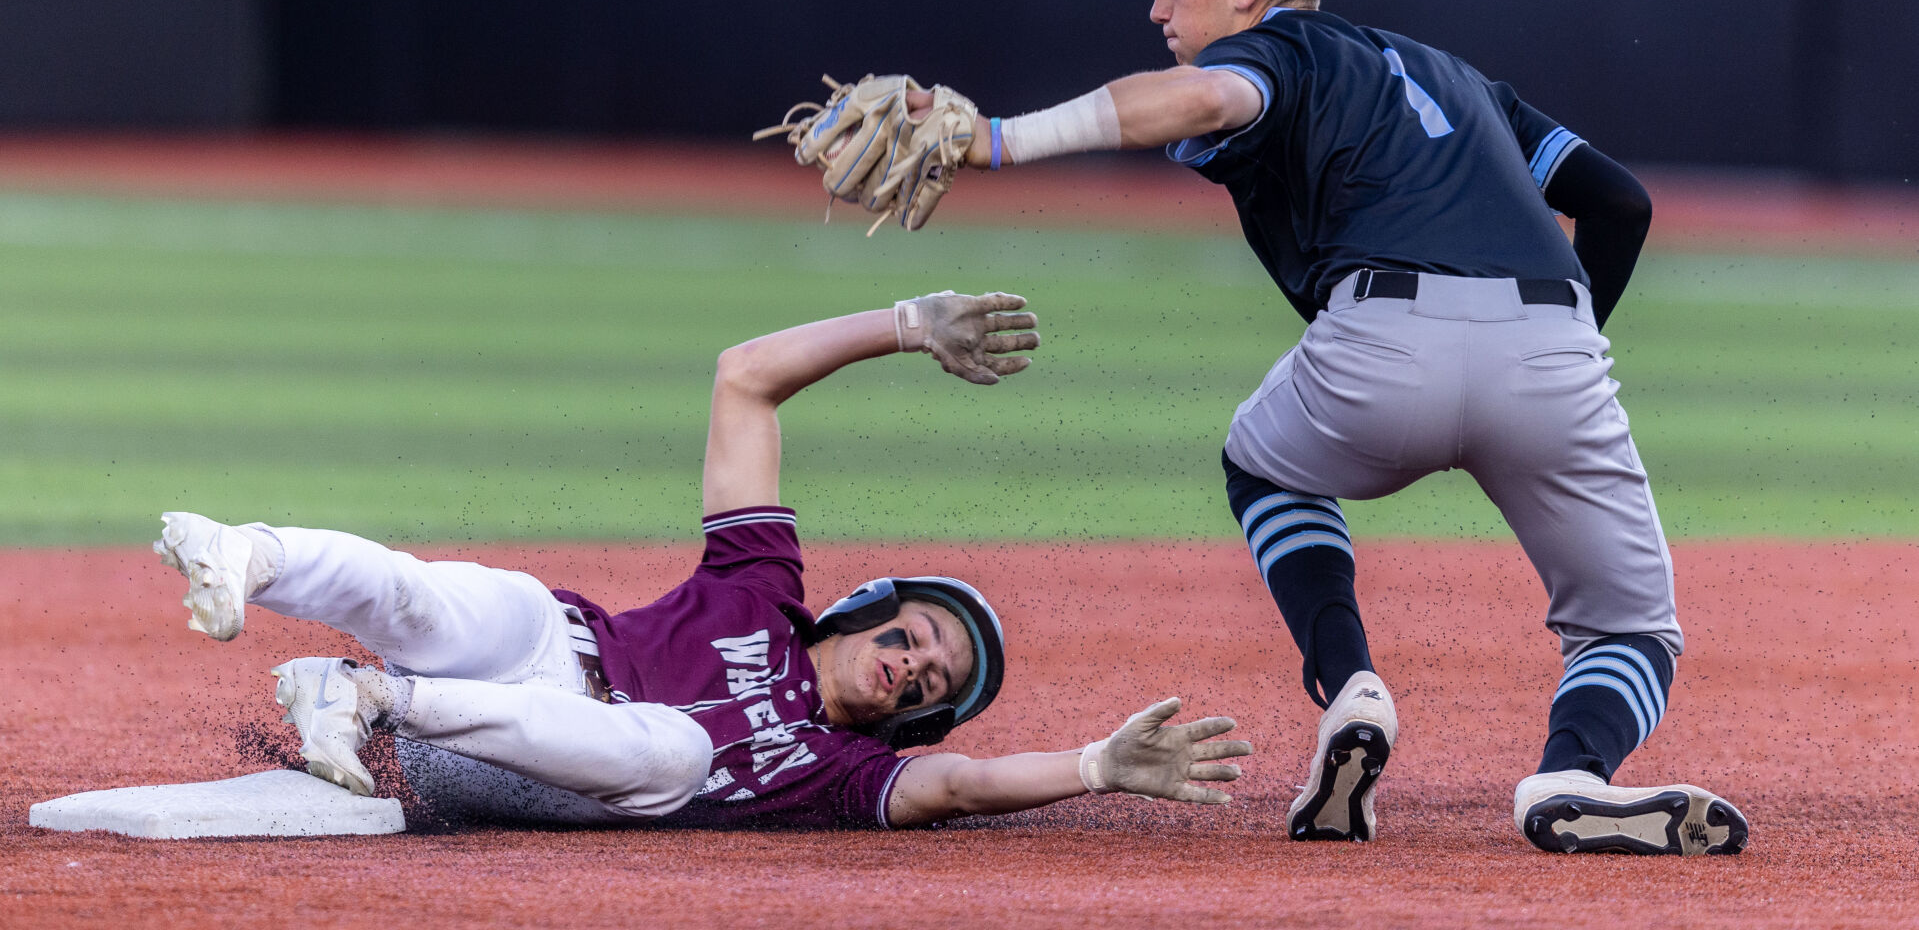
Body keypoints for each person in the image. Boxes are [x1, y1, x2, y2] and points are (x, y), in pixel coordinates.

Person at [897, 0, 1746, 854]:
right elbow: (1618, 203)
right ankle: (1568, 777)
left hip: (1381, 341)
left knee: (1261, 464)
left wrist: (996, 139)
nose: (1156, 6)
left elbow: (1205, 97)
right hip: (1551, 348)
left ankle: (1352, 690)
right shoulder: (1460, 80)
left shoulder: (1274, 49)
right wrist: (1561, 354)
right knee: (1628, 631)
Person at [153, 290, 1251, 829]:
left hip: (509, 769)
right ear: (866, 610)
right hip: (545, 650)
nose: (914, 663)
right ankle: (247, 553)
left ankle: (357, 694)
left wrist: (1094, 768)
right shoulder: (760, 593)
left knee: (675, 755)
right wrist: (908, 324)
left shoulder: (841, 773)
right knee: (450, 598)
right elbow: (744, 379)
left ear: (912, 713)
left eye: (933, 682)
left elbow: (960, 785)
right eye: (914, 635)